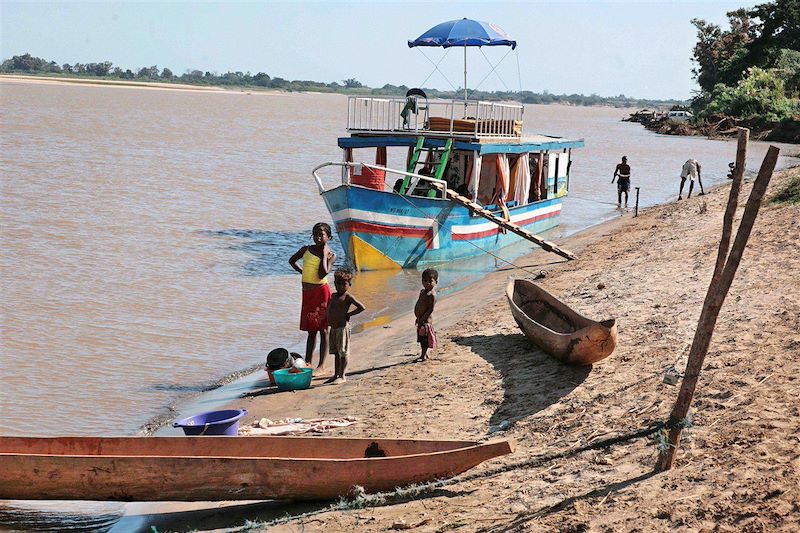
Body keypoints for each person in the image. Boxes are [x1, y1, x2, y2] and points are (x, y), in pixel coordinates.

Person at [288, 222, 336, 371]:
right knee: (311, 330)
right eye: (315, 234)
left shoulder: (331, 255)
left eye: (321, 234)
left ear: (328, 237)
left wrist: (323, 254)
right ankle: (308, 362)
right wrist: (303, 272)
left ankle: (321, 365)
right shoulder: (305, 250)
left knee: (323, 329)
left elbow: (323, 273)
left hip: (321, 292)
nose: (318, 237)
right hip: (308, 293)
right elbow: (292, 261)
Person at [325, 268, 365, 384]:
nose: (340, 286)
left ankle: (342, 375)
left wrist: (349, 314)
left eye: (344, 284)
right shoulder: (333, 296)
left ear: (349, 284)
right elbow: (330, 309)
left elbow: (362, 307)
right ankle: (336, 374)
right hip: (334, 328)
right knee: (336, 353)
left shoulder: (348, 297)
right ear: (334, 283)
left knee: (343, 353)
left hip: (342, 328)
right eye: (338, 284)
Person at [414, 268, 438, 362]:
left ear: (436, 282)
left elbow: (430, 309)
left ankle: (423, 355)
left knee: (424, 339)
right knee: (421, 338)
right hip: (420, 319)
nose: (427, 283)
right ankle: (424, 354)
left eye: (430, 281)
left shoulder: (432, 295)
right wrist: (418, 317)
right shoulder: (422, 292)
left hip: (426, 321)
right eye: (424, 281)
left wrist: (422, 319)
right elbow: (419, 304)